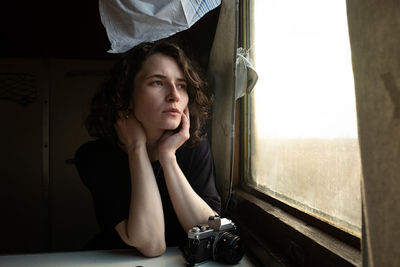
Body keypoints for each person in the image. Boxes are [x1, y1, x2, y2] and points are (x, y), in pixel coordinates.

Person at [74, 40, 221, 257]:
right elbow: (151, 244)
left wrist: (167, 156)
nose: (175, 95)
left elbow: (210, 234)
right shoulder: (95, 156)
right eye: (157, 83)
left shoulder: (193, 147)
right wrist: (136, 148)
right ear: (126, 95)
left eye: (181, 85)